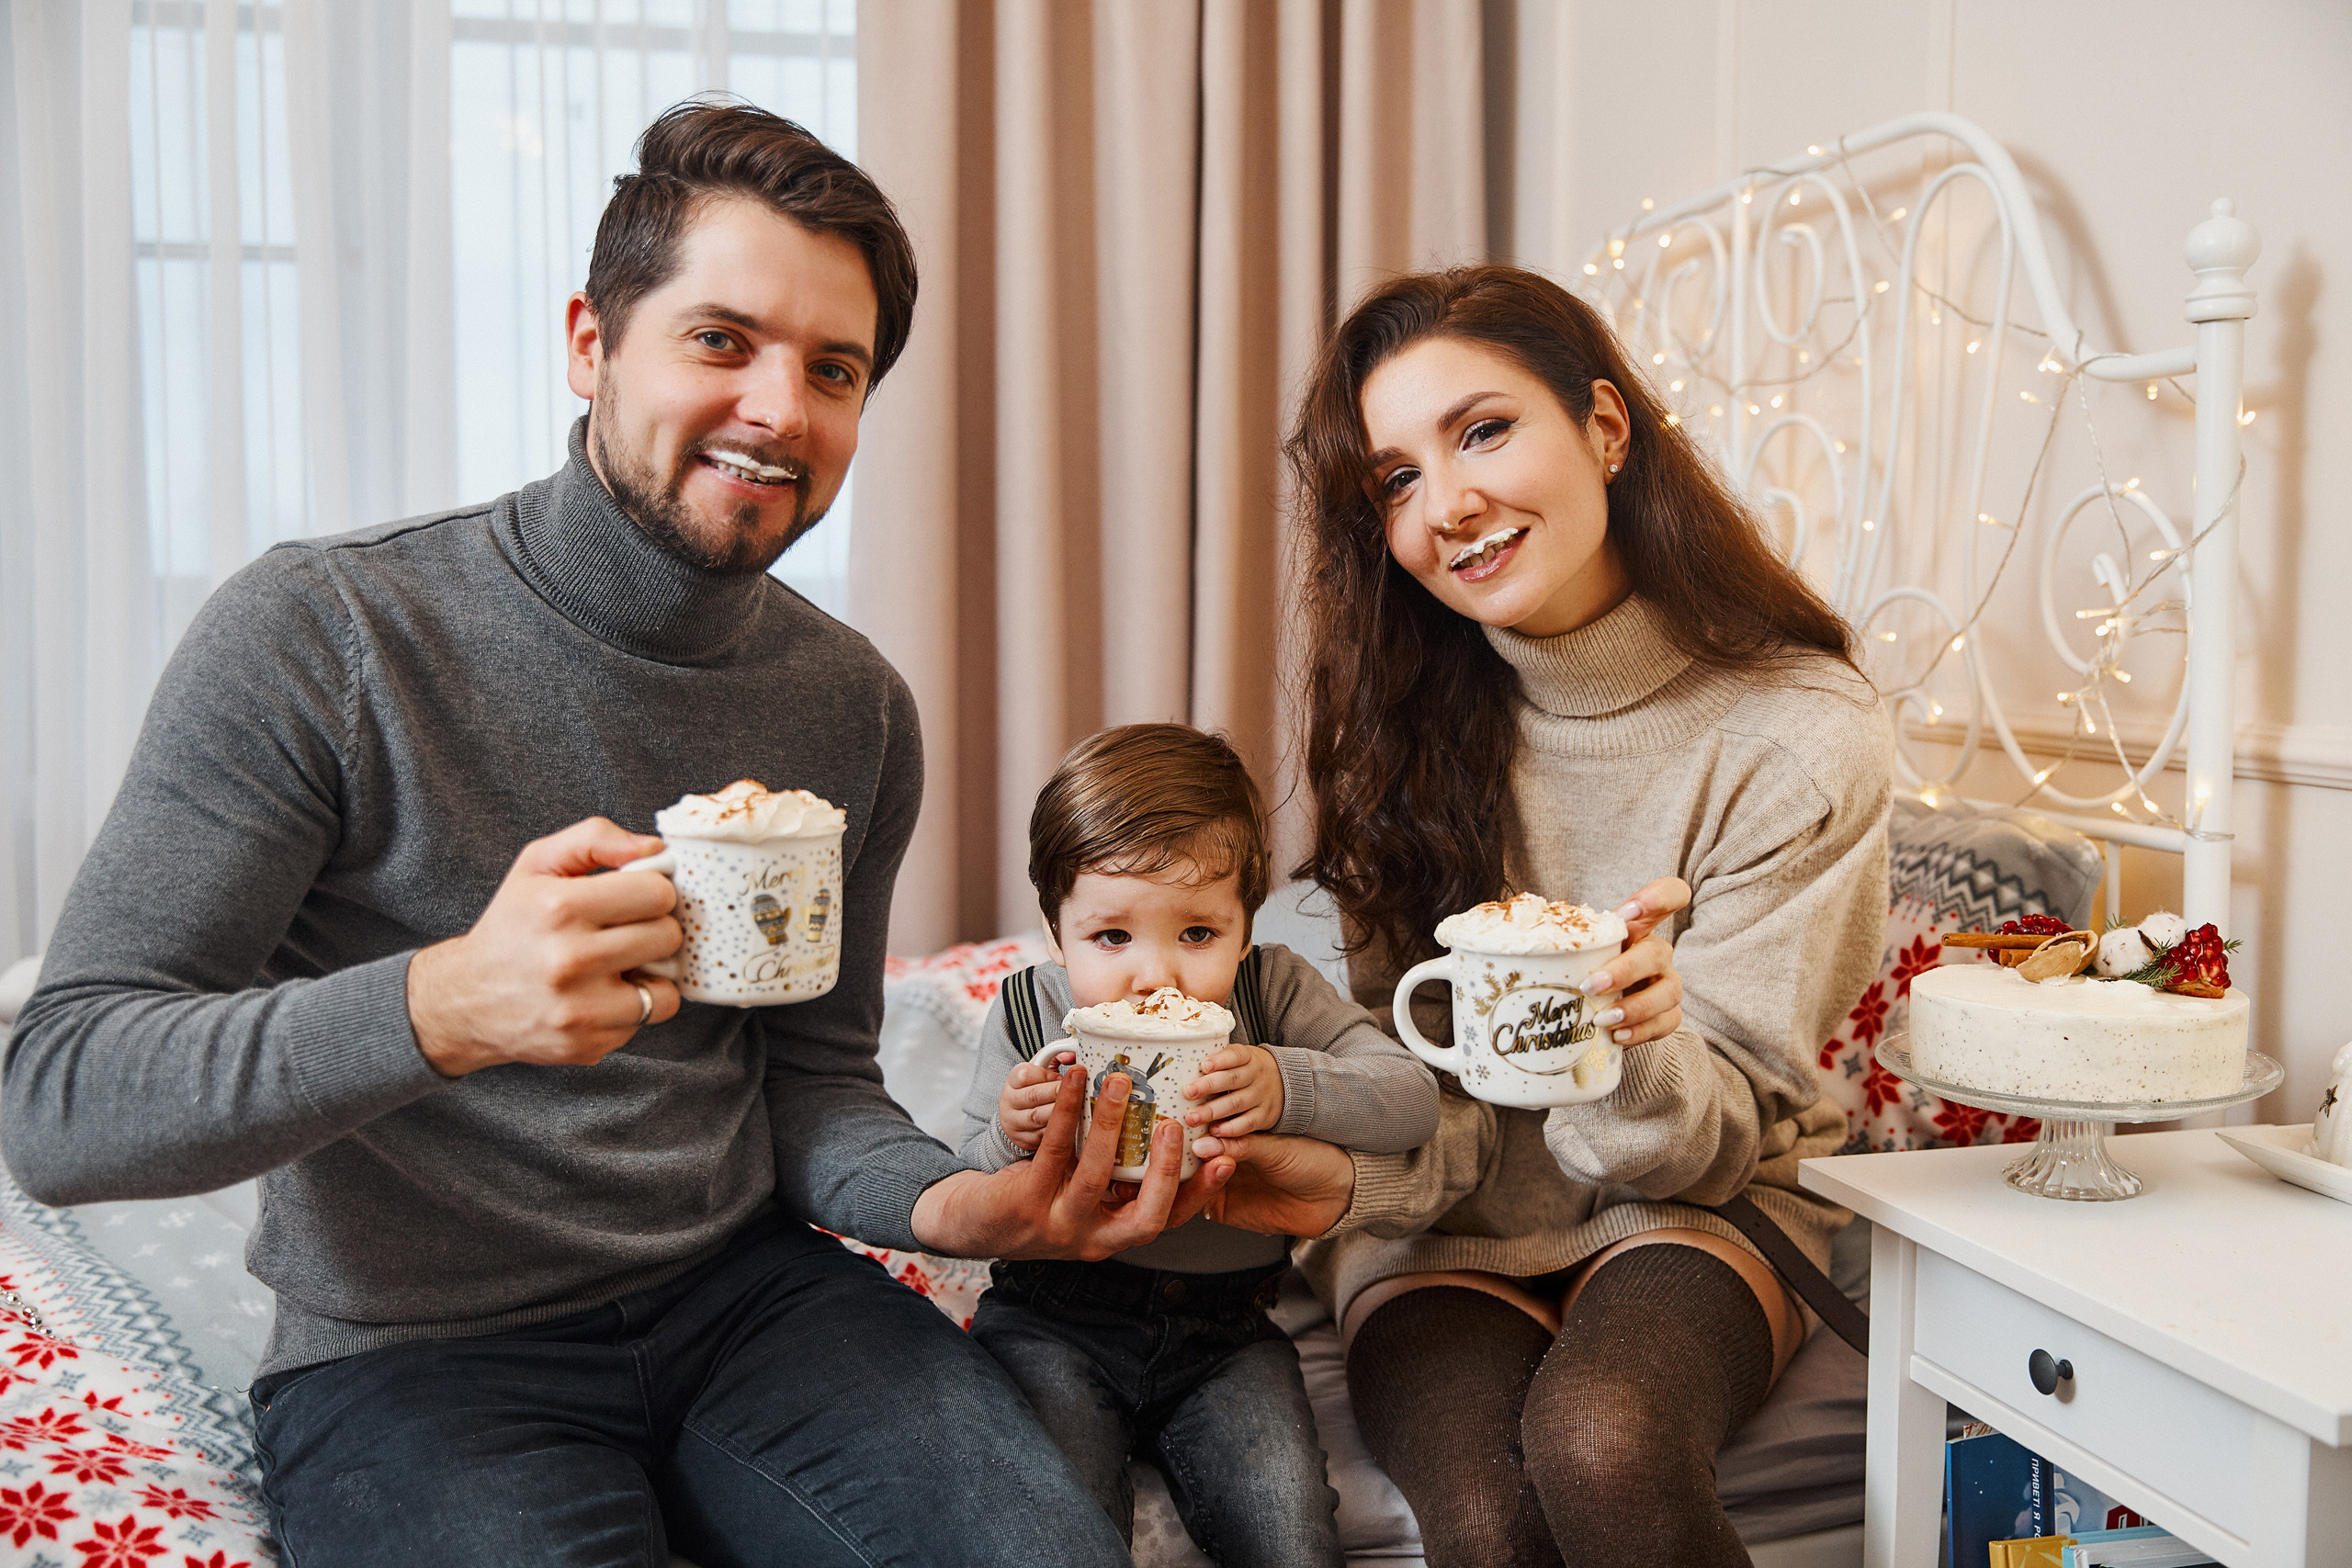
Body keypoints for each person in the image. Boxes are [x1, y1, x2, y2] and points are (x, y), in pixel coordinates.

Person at [2, 103, 1255, 1568]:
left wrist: (962, 1203)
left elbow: (816, 1082)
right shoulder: (324, 634)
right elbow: (62, 1095)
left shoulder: (851, 704)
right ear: (593, 342)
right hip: (414, 1357)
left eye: (833, 369)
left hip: (753, 1297)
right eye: (722, 340)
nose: (781, 407)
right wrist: (443, 1006)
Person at [1283, 265, 1892, 1567]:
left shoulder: (1795, 732)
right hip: (1449, 1202)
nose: (1448, 504)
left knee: (1605, 1440)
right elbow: (1408, 1087)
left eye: (1483, 429)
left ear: (1606, 428)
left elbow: (1711, 1137)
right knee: (1488, 1515)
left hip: (1705, 1194)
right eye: (1394, 479)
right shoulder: (1395, 714)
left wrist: (1640, 1037)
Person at [959, 723, 1440, 1566]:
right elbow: (956, 1179)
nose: (1158, 977)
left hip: (1228, 1334)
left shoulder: (1275, 991)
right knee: (1052, 1538)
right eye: (1112, 937)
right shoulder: (1029, 1010)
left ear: (1245, 930)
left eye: (1197, 934)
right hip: (1054, 1319)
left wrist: (1288, 1082)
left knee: (1292, 1537)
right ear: (1055, 934)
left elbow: (1411, 1100)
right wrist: (1011, 1131)